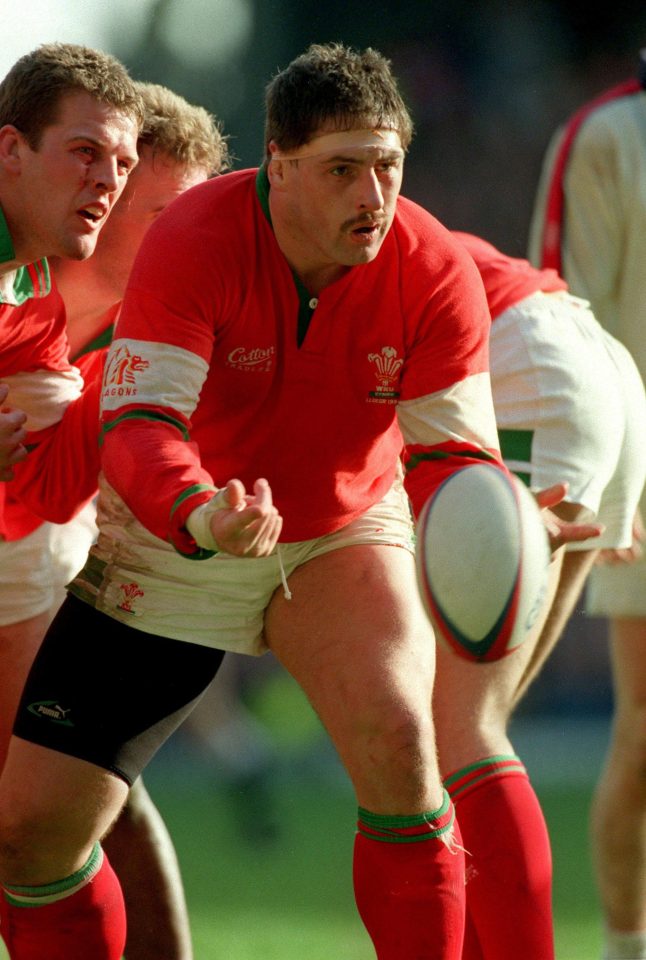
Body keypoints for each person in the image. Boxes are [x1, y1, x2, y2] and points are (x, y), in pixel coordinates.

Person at [0, 43, 595, 960]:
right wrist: (202, 513)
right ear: (277, 167)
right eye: (342, 170)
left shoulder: (431, 267)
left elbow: (447, 456)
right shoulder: (193, 238)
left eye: (387, 166)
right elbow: (142, 428)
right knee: (32, 839)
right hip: (177, 539)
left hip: (341, 531)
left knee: (406, 748)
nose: (373, 195)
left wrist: (505, 515)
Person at [1, 78, 229, 960]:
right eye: (172, 212)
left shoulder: (149, 331)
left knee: (83, 806)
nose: (194, 237)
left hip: (37, 561)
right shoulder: (36, 278)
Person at [434, 230, 646, 960]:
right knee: (461, 733)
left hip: (529, 360)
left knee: (455, 730)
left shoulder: (270, 236)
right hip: (594, 359)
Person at [528, 52, 646, 960]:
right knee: (644, 730)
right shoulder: (609, 136)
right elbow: (567, 320)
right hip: (643, 472)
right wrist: (614, 479)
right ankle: (624, 945)